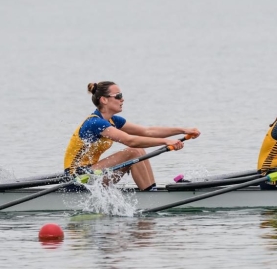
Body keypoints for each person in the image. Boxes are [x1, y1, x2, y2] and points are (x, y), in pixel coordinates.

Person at [64, 81, 200, 191]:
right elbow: (130, 140)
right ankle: (150, 195)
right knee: (133, 151)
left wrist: (183, 130)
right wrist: (166, 141)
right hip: (76, 178)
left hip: (93, 173)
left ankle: (151, 190)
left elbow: (148, 131)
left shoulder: (113, 120)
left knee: (139, 151)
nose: (122, 99)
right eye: (118, 96)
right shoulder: (95, 122)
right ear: (104, 100)